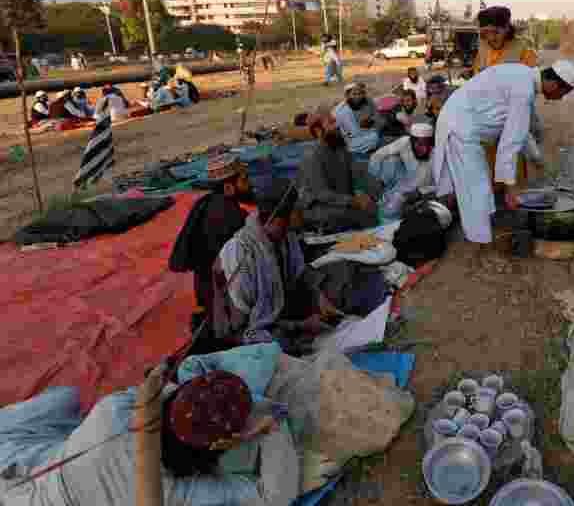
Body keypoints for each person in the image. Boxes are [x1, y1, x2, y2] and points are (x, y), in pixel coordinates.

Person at [0, 362, 299, 506]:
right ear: (218, 445)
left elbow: (161, 394)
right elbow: (272, 496)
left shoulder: (114, 409)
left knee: (64, 399)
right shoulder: (172, 492)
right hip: (27, 481)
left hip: (32, 469)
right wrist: (272, 426)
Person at [432, 61, 574, 250]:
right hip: (459, 128)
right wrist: (511, 188)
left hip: (460, 123)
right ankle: (479, 243)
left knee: (476, 185)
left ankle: (481, 231)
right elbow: (510, 143)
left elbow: (523, 130)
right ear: (555, 84)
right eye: (563, 94)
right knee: (476, 188)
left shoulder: (524, 78)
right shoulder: (523, 91)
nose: (560, 98)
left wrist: (537, 159)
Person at [211, 179, 332, 352]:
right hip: (244, 335)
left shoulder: (286, 236)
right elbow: (243, 328)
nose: (302, 213)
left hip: (278, 318)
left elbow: (301, 273)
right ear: (282, 215)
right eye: (297, 209)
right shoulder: (240, 253)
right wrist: (300, 326)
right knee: (286, 347)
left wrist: (320, 297)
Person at [169, 154, 251, 334]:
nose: (249, 183)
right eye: (244, 179)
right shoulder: (233, 217)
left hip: (206, 294)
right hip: (223, 302)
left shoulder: (205, 204)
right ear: (229, 187)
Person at [296, 107, 379, 234]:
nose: (337, 126)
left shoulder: (340, 148)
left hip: (341, 201)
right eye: (331, 123)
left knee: (374, 204)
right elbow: (321, 194)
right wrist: (353, 201)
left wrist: (366, 192)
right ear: (318, 131)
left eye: (335, 121)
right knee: (356, 214)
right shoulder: (312, 156)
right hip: (318, 208)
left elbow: (357, 175)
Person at [370, 122, 436, 218]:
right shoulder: (405, 142)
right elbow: (378, 155)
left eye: (427, 144)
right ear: (411, 141)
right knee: (391, 160)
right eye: (420, 144)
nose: (425, 149)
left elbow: (442, 185)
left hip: (422, 191)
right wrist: (376, 178)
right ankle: (387, 191)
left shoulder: (437, 153)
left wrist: (421, 192)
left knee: (390, 212)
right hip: (405, 180)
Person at [470, 6, 539, 76]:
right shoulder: (483, 46)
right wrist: (469, 73)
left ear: (507, 28)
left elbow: (532, 78)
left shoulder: (524, 49)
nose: (491, 38)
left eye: (496, 32)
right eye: (485, 32)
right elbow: (477, 70)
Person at [334, 82, 381, 162]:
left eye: (360, 93)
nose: (358, 96)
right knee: (374, 137)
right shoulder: (344, 110)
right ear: (348, 95)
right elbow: (354, 132)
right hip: (349, 139)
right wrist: (371, 130)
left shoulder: (369, 101)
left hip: (363, 130)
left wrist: (371, 122)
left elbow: (377, 115)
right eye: (354, 94)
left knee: (376, 133)